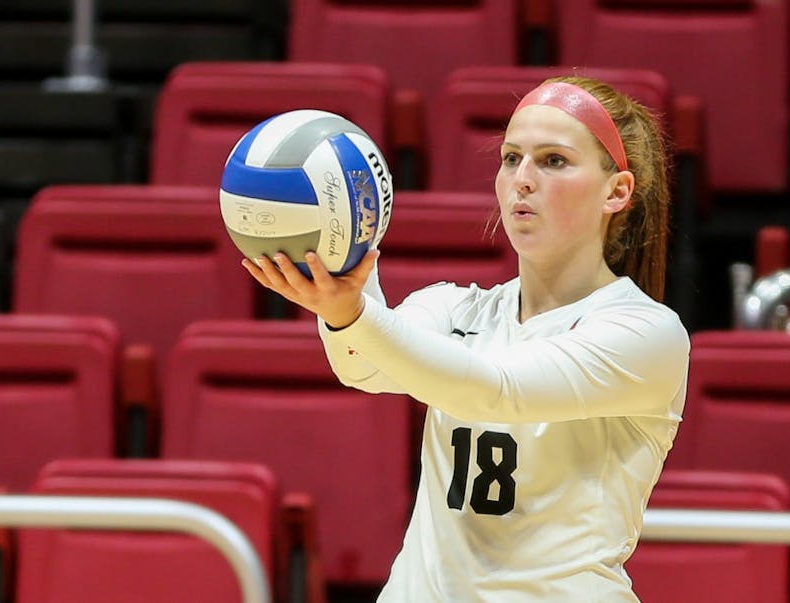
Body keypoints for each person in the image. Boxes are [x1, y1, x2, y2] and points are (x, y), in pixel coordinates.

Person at [242, 75, 690, 602]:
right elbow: (362, 367)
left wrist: (357, 313)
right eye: (510, 158)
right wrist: (346, 294)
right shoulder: (453, 305)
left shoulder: (645, 333)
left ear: (616, 191)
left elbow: (498, 390)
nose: (522, 179)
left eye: (553, 161)